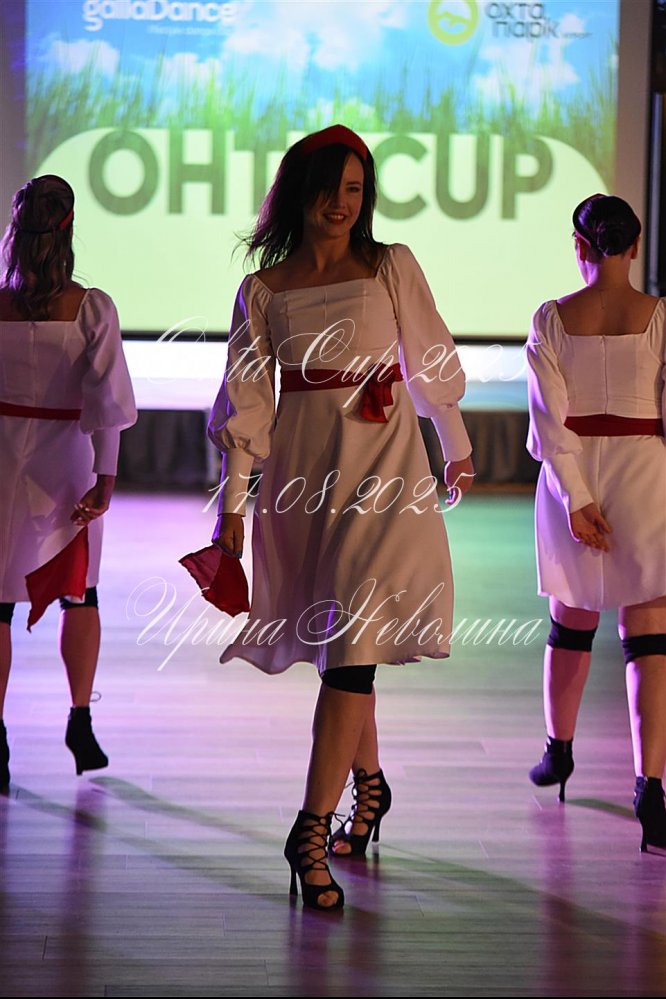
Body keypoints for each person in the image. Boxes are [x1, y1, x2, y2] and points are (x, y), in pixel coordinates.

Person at [207, 124, 474, 909]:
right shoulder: (263, 289)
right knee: (344, 642)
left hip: (386, 472)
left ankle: (310, 828)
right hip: (305, 477)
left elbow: (429, 356)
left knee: (354, 641)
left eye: (355, 190)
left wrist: (455, 444)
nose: (342, 204)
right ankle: (370, 782)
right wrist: (233, 506)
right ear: (301, 194)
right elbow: (247, 401)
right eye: (329, 189)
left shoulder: (390, 266)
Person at [526, 193, 666, 854]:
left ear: (579, 246)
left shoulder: (552, 319)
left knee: (571, 620)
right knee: (650, 634)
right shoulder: (661, 318)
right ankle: (651, 785)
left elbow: (547, 421)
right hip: (647, 474)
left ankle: (559, 749)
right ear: (634, 246)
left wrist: (576, 497)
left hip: (572, 470)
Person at [0, 175, 137, 789]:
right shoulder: (91, 308)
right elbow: (109, 402)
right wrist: (106, 478)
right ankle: (80, 719)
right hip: (67, 463)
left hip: (4, 458)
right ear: (69, 228)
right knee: (81, 592)